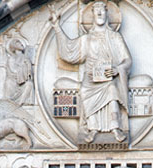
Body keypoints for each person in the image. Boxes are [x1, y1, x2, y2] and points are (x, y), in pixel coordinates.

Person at [50, 2, 131, 142]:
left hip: (109, 79)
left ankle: (115, 128)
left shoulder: (115, 37)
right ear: (92, 15)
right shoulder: (86, 39)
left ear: (107, 14)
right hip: (91, 79)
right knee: (84, 91)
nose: (100, 13)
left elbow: (127, 60)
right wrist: (56, 26)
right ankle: (93, 128)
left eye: (102, 11)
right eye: (97, 11)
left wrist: (117, 69)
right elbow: (69, 52)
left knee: (112, 90)